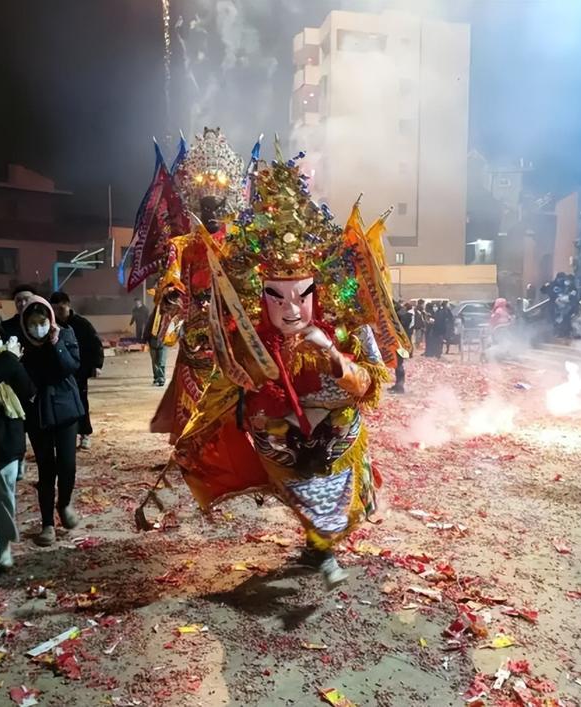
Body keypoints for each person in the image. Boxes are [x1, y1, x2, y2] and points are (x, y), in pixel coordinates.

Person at [167, 149, 408, 590]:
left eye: (301, 295)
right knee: (307, 497)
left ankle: (319, 547)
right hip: (280, 443)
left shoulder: (345, 328)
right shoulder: (248, 337)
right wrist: (200, 429)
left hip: (337, 436)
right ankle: (322, 548)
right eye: (276, 296)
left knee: (339, 502)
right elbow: (225, 389)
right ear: (260, 294)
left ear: (319, 289)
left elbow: (370, 385)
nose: (291, 309)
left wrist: (332, 354)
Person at [147, 128, 246, 443]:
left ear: (226, 206)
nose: (211, 214)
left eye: (217, 207)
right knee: (192, 388)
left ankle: (229, 442)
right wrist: (172, 296)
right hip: (195, 329)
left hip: (230, 328)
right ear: (195, 207)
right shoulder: (182, 245)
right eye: (205, 208)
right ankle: (191, 443)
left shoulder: (236, 244)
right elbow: (172, 280)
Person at [20, 296, 84, 546]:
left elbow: (71, 367)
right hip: (38, 412)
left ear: (50, 320)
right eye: (33, 324)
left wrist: (56, 343)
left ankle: (64, 503)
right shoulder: (21, 345)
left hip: (65, 408)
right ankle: (47, 524)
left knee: (67, 465)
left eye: (42, 322)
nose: (38, 328)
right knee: (46, 469)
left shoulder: (65, 335)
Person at [0, 321, 35, 569]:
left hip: (8, 443)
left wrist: (14, 363)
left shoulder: (11, 364)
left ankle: (4, 545)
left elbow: (28, 391)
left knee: (4, 499)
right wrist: (9, 360)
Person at [49, 292, 104, 450]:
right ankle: (61, 437)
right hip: (58, 372)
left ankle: (85, 434)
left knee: (81, 402)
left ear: (68, 305)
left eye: (61, 308)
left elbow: (95, 344)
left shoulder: (81, 324)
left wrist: (97, 365)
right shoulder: (51, 325)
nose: (58, 312)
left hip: (79, 371)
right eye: (54, 309)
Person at [389, 301, 413, 394]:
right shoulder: (403, 315)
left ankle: (400, 386)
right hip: (400, 343)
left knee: (399, 364)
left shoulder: (402, 316)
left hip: (401, 343)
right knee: (398, 364)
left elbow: (400, 327)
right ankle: (398, 384)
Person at [144, 307, 166, 387]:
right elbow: (147, 329)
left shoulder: (167, 318)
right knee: (155, 362)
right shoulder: (152, 317)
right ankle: (157, 377)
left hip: (162, 343)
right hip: (153, 342)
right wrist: (145, 340)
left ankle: (161, 378)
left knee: (161, 361)